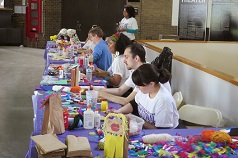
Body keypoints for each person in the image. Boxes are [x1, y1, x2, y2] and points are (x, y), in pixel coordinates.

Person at [115, 64, 179, 129]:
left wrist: (136, 119)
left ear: (151, 84)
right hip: (145, 128)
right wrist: (118, 112)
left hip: (163, 134)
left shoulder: (163, 100)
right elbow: (134, 104)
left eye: (139, 85)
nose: (137, 87)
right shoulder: (146, 89)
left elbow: (161, 130)